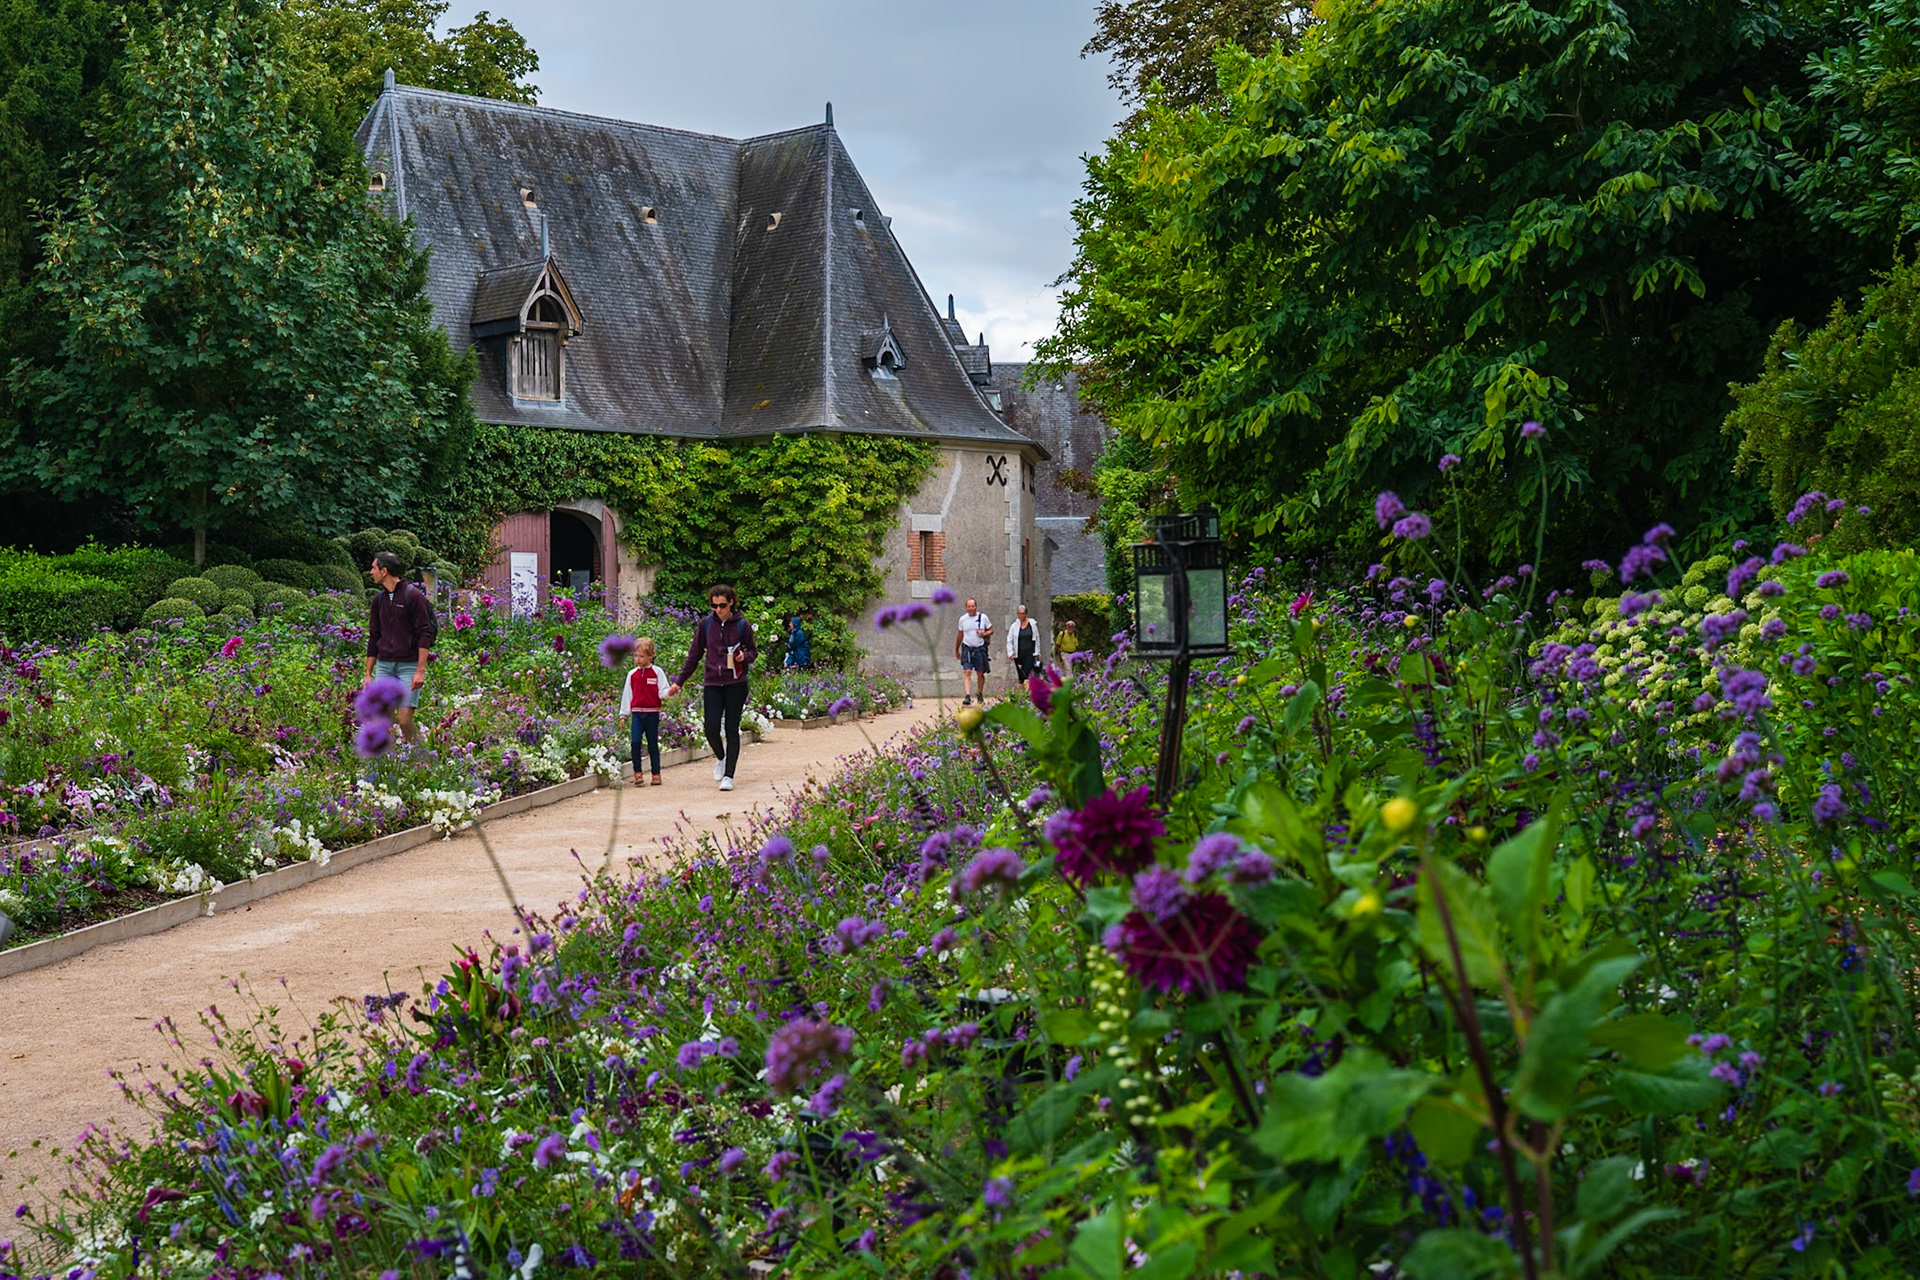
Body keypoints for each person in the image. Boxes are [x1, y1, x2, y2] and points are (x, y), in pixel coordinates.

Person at [667, 584, 758, 792]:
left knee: (732, 729)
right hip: (713, 683)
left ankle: (729, 776)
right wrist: (679, 682)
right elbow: (694, 655)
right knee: (710, 728)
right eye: (714, 605)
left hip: (736, 683)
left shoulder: (742, 624)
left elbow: (753, 651)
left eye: (722, 605)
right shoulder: (706, 625)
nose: (718, 609)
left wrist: (745, 657)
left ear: (731, 602)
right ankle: (721, 757)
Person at [363, 551, 437, 746]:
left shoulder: (413, 597)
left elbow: (424, 634)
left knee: (404, 720)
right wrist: (368, 674)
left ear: (384, 571)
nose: (371, 572)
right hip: (385, 666)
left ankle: (423, 757)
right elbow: (374, 637)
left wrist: (420, 671)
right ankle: (391, 767)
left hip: (408, 666)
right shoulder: (377, 601)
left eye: (374, 568)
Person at [619, 637, 669, 786]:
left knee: (652, 743)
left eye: (641, 656)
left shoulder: (657, 672)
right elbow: (627, 694)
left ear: (651, 655)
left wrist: (670, 692)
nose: (638, 659)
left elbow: (663, 691)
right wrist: (623, 714)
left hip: (652, 713)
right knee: (635, 742)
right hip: (637, 715)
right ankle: (637, 773)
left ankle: (656, 773)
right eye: (635, 656)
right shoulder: (632, 674)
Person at [955, 597, 993, 706]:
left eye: (973, 606)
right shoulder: (963, 619)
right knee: (967, 671)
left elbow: (991, 630)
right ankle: (967, 696)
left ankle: (979, 693)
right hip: (967, 647)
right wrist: (956, 649)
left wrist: (984, 634)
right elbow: (960, 634)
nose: (971, 608)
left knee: (980, 673)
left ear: (976, 606)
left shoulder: (983, 617)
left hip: (979, 648)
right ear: (966, 607)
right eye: (969, 606)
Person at [1006, 604, 1041, 685]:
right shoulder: (1014, 626)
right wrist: (1010, 652)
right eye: (1019, 613)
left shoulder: (1032, 625)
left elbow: (1037, 638)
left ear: (1026, 614)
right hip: (1019, 655)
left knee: (1027, 674)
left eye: (1023, 613)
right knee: (1021, 676)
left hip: (1030, 654)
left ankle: (1029, 693)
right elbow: (1009, 640)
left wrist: (1038, 652)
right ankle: (1023, 694)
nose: (1021, 615)